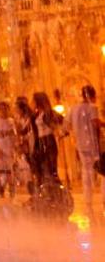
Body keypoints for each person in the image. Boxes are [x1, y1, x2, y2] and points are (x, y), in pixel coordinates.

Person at [69, 85, 102, 216]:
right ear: (91, 95)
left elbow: (67, 125)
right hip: (93, 145)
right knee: (100, 171)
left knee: (85, 171)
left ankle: (88, 200)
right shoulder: (92, 108)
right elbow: (95, 123)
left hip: (81, 145)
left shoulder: (73, 109)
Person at [31, 92, 63, 186]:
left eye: (33, 101)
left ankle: (56, 190)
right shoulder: (36, 115)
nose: (32, 103)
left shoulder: (48, 112)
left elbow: (61, 120)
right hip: (41, 141)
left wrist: (58, 130)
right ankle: (47, 190)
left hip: (48, 140)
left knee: (51, 167)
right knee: (43, 167)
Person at [0, 101, 18, 199]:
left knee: (11, 172)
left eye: (5, 108)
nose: (4, 111)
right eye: (1, 109)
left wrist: (16, 147)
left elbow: (15, 135)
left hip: (10, 149)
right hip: (0, 149)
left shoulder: (11, 121)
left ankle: (11, 192)